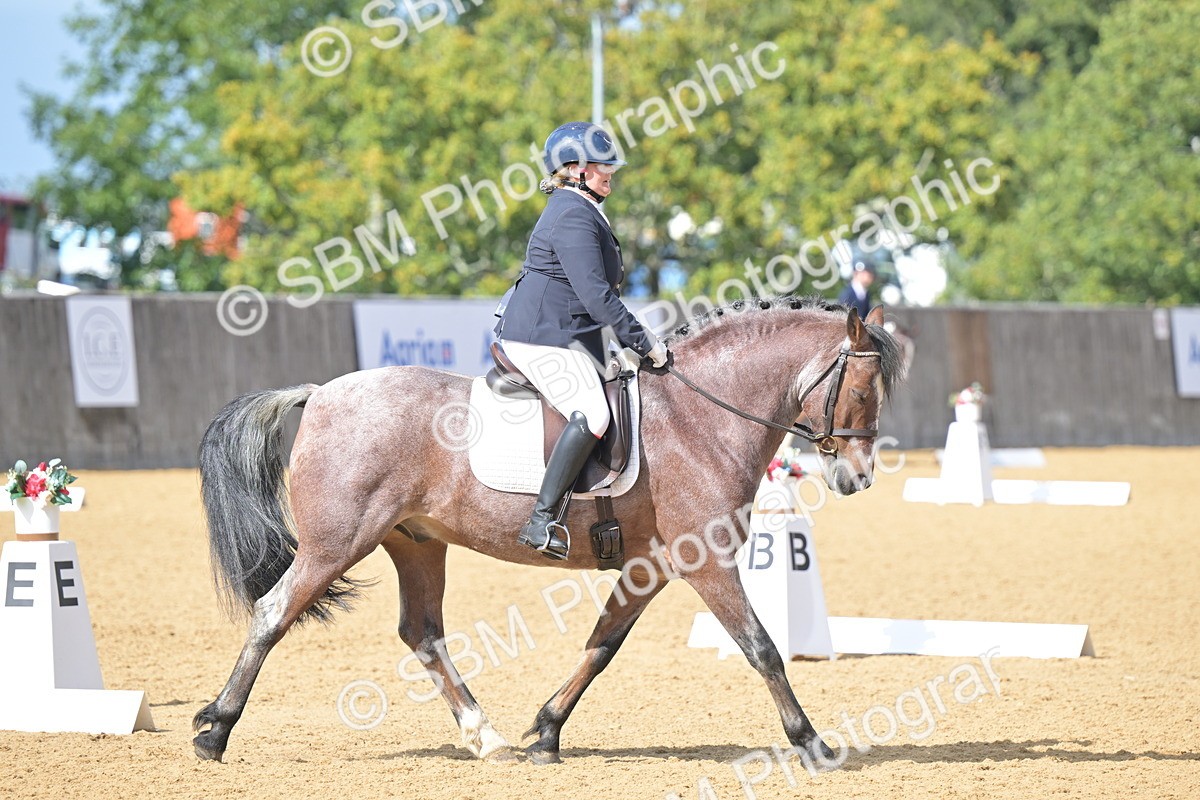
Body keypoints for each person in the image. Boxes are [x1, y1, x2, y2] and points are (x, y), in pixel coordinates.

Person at [494, 121, 670, 560]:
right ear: (573, 169)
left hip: (569, 335)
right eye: (601, 165)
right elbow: (596, 296)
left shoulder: (582, 207)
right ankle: (542, 520)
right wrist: (643, 342)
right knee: (592, 412)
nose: (610, 171)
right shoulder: (572, 212)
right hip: (542, 336)